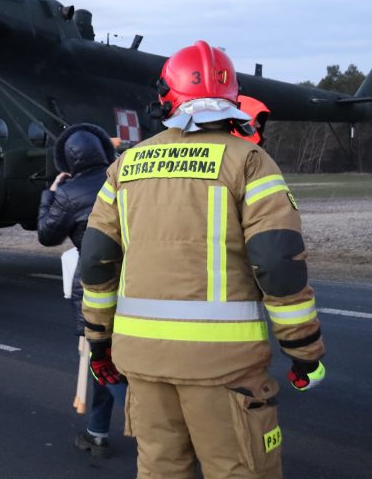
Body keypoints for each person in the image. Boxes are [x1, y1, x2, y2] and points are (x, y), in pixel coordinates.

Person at [80, 40, 325, 478]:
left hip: (144, 361)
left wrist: (100, 343)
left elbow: (97, 260)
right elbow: (278, 263)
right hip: (224, 365)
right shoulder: (250, 161)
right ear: (232, 98)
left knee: (160, 469)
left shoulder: (126, 165)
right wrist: (302, 349)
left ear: (166, 97)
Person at [36, 123, 121, 459]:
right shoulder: (126, 177)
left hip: (96, 287)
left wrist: (51, 193)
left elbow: (46, 234)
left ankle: (99, 433)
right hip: (141, 279)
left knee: (101, 359)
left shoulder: (69, 194)